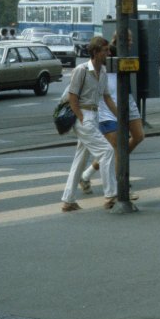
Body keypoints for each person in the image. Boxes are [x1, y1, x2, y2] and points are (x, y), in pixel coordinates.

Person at [80, 36, 144, 199]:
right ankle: (122, 187)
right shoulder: (103, 60)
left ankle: (87, 174)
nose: (130, 42)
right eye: (126, 38)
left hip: (126, 102)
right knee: (118, 148)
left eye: (131, 39)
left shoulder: (124, 59)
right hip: (107, 110)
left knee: (138, 136)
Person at [60, 36, 118, 212]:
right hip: (84, 116)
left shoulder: (103, 73)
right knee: (107, 151)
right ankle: (111, 195)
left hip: (94, 115)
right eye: (105, 51)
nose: (108, 53)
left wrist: (120, 117)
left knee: (80, 159)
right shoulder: (82, 70)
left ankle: (68, 200)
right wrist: (81, 117)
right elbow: (72, 96)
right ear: (95, 52)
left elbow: (106, 97)